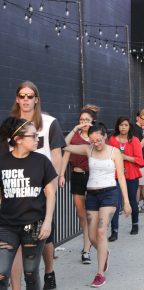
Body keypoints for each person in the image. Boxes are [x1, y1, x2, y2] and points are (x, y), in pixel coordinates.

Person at [7, 81, 65, 290]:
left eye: (30, 96)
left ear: (36, 99)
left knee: (44, 237)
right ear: (17, 98)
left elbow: (57, 155)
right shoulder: (9, 125)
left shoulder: (49, 123)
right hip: (15, 189)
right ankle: (16, 287)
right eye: (22, 95)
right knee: (14, 244)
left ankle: (49, 271)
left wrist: (51, 184)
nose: (25, 99)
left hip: (40, 189)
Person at [63, 122, 132, 287]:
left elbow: (121, 177)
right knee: (92, 236)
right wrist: (76, 128)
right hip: (92, 195)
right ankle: (104, 251)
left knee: (101, 231)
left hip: (109, 193)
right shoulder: (88, 149)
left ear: (105, 136)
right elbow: (63, 145)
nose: (96, 143)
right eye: (93, 141)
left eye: (99, 140)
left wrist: (127, 202)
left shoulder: (114, 152)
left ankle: (100, 273)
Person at [0, 117, 57, 290]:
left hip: (34, 226)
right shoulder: (2, 162)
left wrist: (47, 222)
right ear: (18, 139)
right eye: (33, 136)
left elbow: (50, 193)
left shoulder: (42, 161)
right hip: (6, 226)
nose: (37, 139)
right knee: (2, 273)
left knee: (31, 274)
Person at [59, 105, 100, 264]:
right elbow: (64, 147)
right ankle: (88, 236)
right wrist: (62, 174)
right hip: (77, 175)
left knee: (91, 214)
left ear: (92, 121)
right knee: (81, 214)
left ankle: (86, 249)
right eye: (81, 120)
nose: (84, 122)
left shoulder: (96, 136)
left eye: (87, 120)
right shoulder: (75, 136)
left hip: (93, 176)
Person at [108, 117, 144, 242]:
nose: (123, 127)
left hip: (131, 174)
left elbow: (140, 160)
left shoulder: (134, 140)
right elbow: (108, 156)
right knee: (115, 203)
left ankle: (135, 224)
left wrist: (124, 157)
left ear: (129, 127)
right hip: (115, 175)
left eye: (126, 125)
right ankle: (114, 230)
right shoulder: (112, 140)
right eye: (121, 125)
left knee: (132, 200)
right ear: (117, 126)